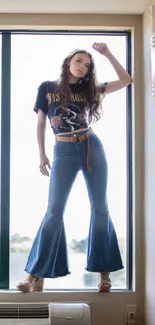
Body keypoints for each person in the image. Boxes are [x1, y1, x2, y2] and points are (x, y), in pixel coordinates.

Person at [16, 42, 132, 293]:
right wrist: (42, 153)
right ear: (68, 61)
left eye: (88, 65)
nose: (82, 66)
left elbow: (126, 80)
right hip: (63, 151)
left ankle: (105, 273)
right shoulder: (47, 88)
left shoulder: (90, 89)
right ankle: (33, 275)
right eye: (79, 61)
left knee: (99, 207)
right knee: (54, 210)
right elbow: (41, 124)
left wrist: (108, 53)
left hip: (92, 148)